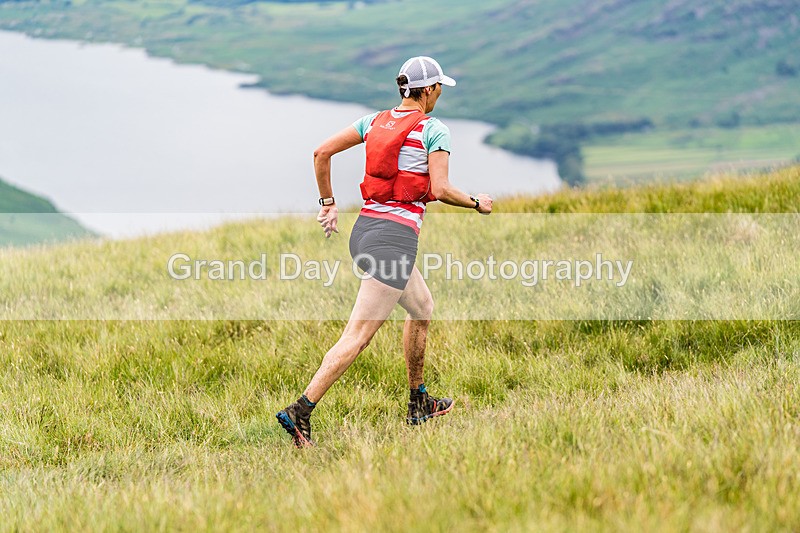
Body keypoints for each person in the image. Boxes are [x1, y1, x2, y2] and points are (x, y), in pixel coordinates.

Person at [276, 56, 493, 447]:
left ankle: (418, 402)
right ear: (427, 91)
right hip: (393, 241)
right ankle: (300, 411)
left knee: (422, 307)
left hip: (365, 232)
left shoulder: (373, 121)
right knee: (357, 336)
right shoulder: (433, 129)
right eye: (439, 87)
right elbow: (441, 190)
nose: (440, 93)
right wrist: (478, 202)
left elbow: (321, 152)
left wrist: (327, 202)